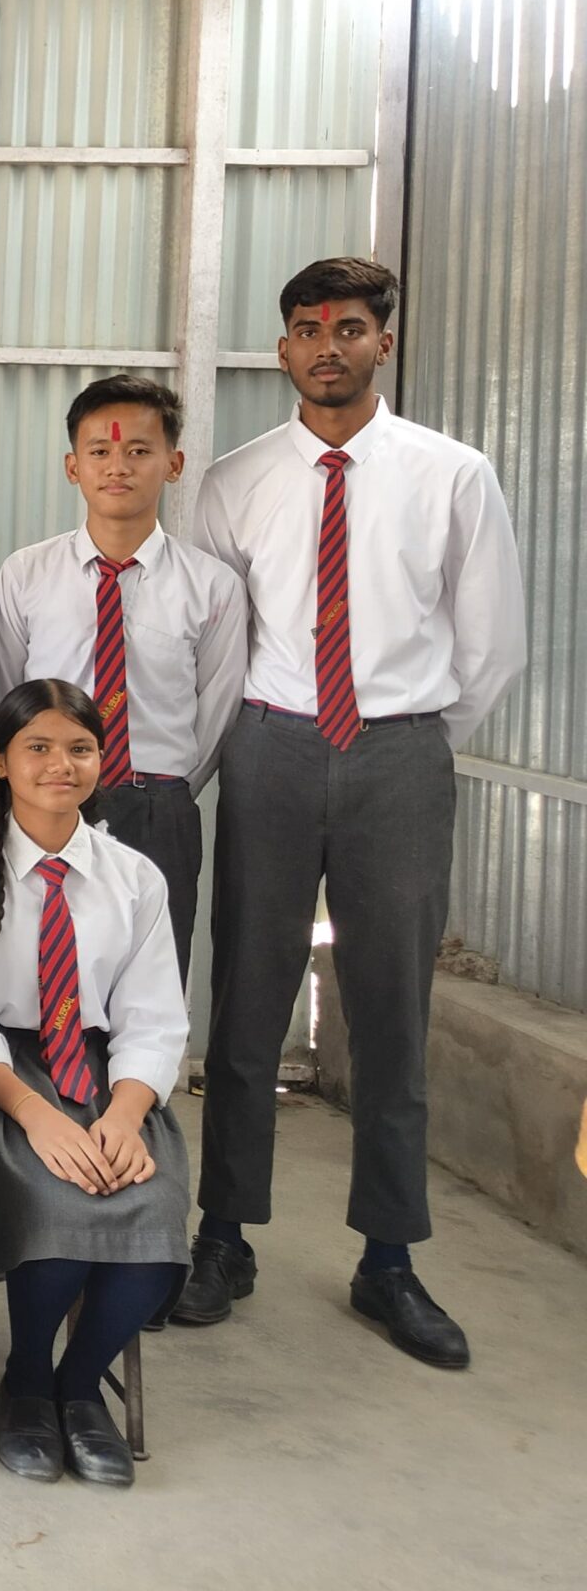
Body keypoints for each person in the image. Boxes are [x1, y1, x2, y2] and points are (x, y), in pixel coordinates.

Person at [176, 257, 525, 1366]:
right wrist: (259, 742)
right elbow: (218, 638)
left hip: (399, 756)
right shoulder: (234, 482)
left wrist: (406, 738)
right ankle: (224, 1236)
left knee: (388, 1014)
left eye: (349, 327)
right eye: (306, 328)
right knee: (245, 1000)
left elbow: (489, 643)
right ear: (283, 347)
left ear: (384, 342)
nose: (327, 346)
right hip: (271, 749)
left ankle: (388, 1259)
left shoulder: (451, 474)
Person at [0, 679, 189, 1488]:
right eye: (39, 748)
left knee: (152, 1208)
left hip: (102, 1073)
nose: (61, 765)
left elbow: (153, 1019)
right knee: (57, 1200)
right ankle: (26, 1381)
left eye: (80, 748)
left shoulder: (135, 878)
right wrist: (36, 1116)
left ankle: (79, 1386)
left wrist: (123, 1116)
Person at [0, 376, 243, 979]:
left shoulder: (211, 586)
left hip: (158, 804)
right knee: (38, 968)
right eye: (100, 451)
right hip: (45, 800)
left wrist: (163, 787)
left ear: (173, 464)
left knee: (152, 971)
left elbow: (218, 708)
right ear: (72, 466)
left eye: (139, 450)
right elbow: (5, 693)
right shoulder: (26, 574)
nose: (118, 466)